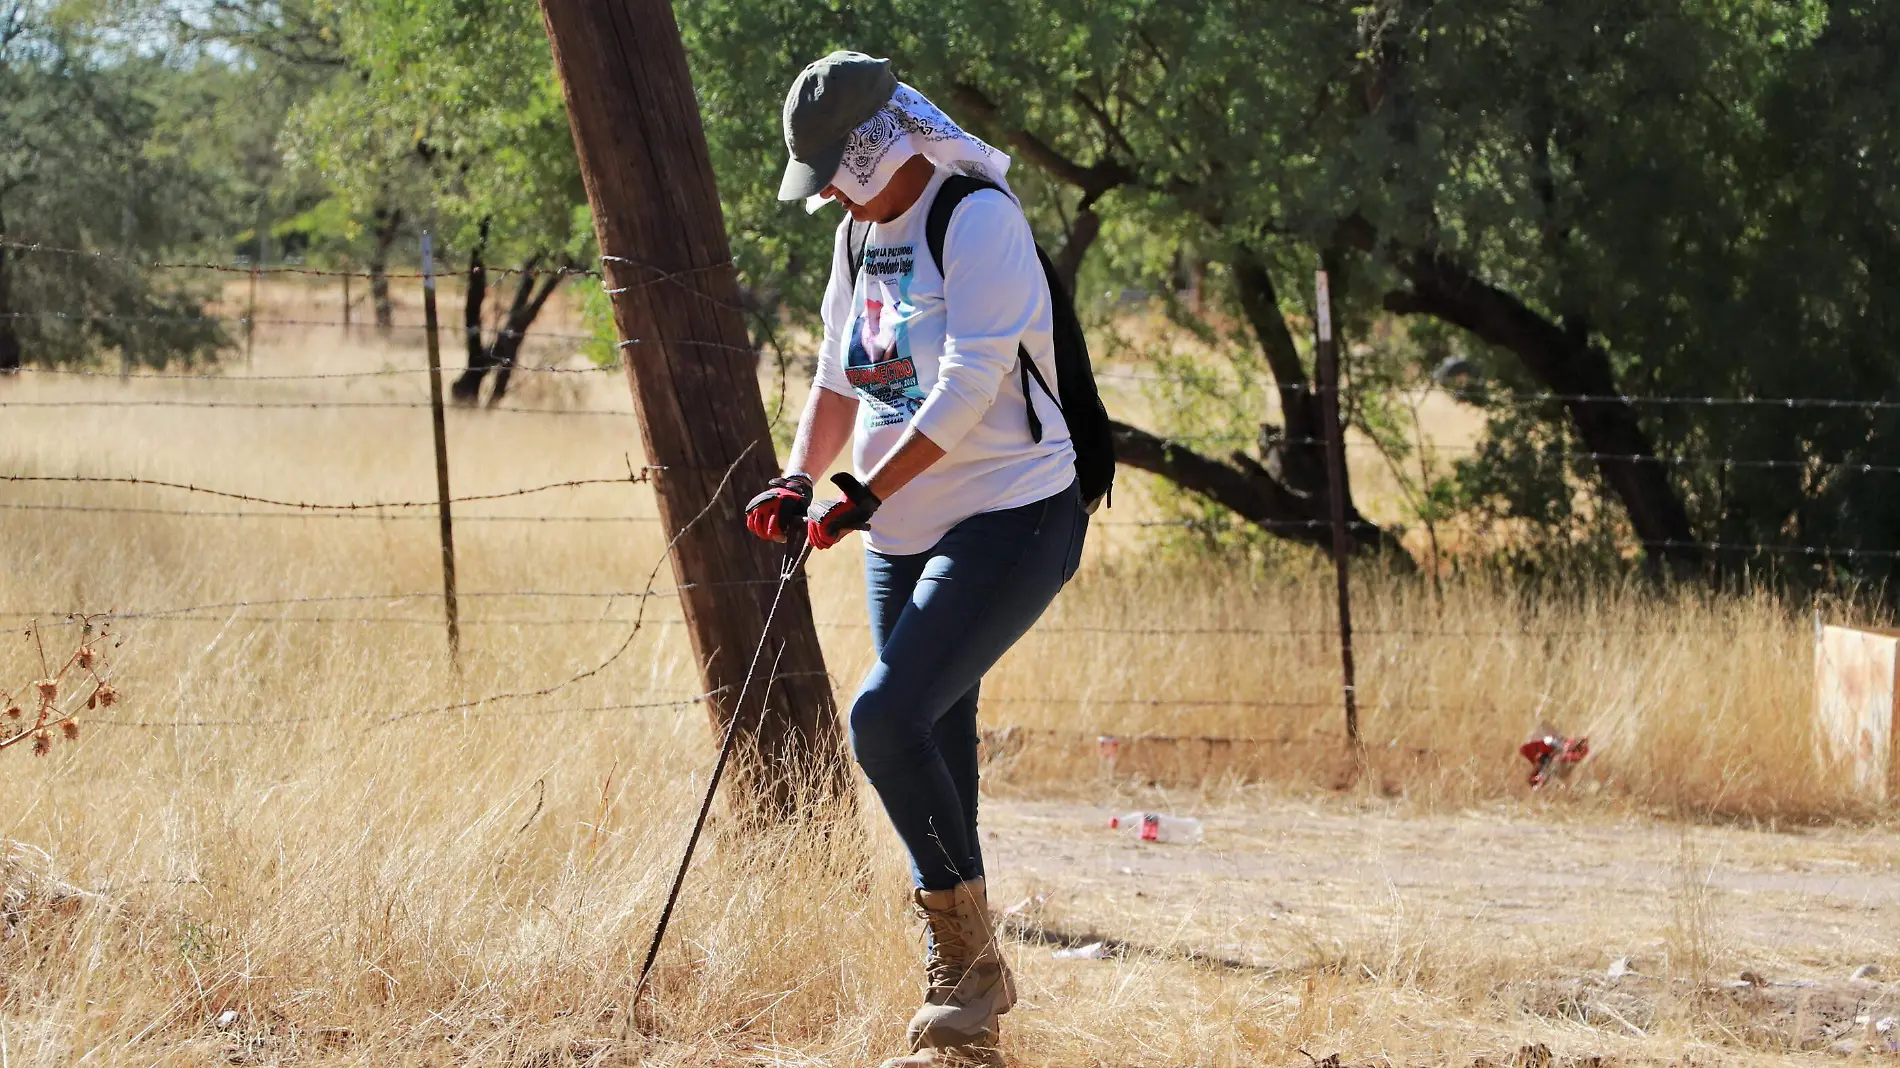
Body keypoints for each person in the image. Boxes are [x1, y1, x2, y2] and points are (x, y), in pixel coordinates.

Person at [743, 51, 1090, 1068]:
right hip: (897, 527)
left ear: (878, 144)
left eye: (837, 169)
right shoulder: (858, 236)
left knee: (884, 720)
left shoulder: (975, 220)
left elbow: (970, 386)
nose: (833, 195)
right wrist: (799, 479)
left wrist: (866, 490)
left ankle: (969, 983)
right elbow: (838, 377)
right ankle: (965, 1027)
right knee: (931, 745)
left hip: (1010, 512)